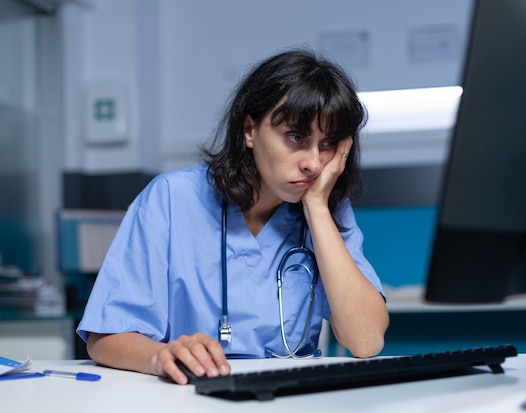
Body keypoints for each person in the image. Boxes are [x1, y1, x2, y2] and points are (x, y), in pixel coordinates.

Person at [76, 48, 389, 385]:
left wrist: (316, 210)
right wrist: (159, 357)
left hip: (291, 399)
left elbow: (365, 340)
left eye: (327, 144)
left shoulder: (327, 208)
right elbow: (105, 338)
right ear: (249, 130)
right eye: (295, 138)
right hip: (191, 397)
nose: (313, 163)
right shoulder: (172, 198)